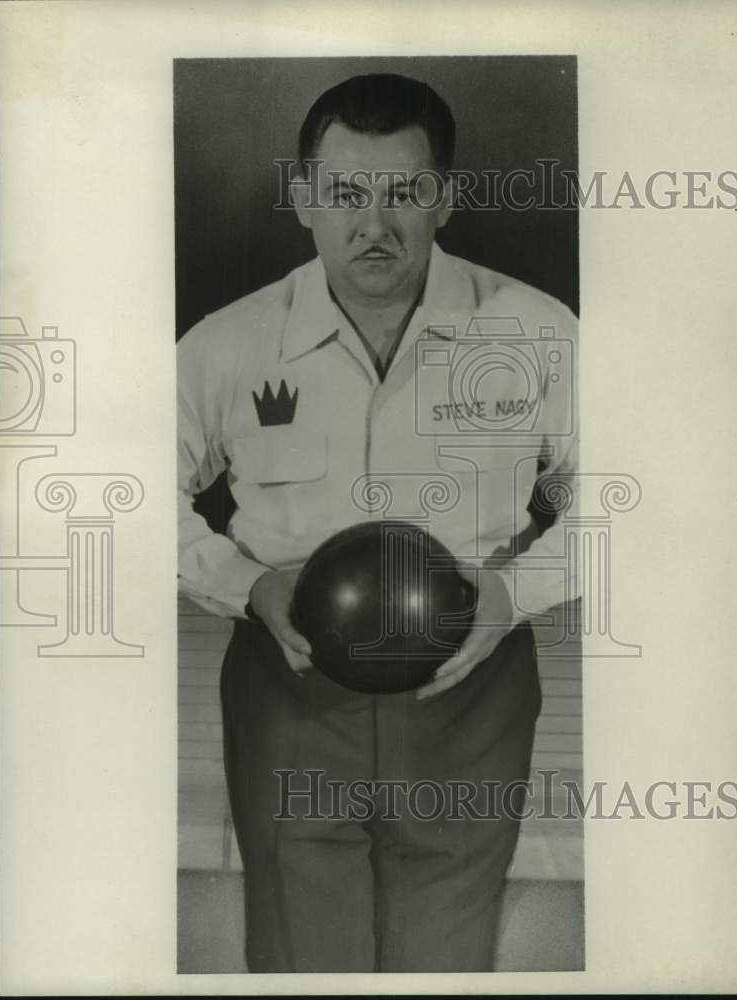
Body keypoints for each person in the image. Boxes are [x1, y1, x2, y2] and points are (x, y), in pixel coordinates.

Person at [177, 72, 578, 973]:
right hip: (292, 692)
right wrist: (250, 585)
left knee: (445, 961)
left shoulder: (534, 330)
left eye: (406, 192)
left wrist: (518, 592)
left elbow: (641, 492)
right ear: (303, 200)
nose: (376, 225)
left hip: (471, 694)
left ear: (447, 199)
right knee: (300, 963)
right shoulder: (228, 344)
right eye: (347, 194)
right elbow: (115, 489)